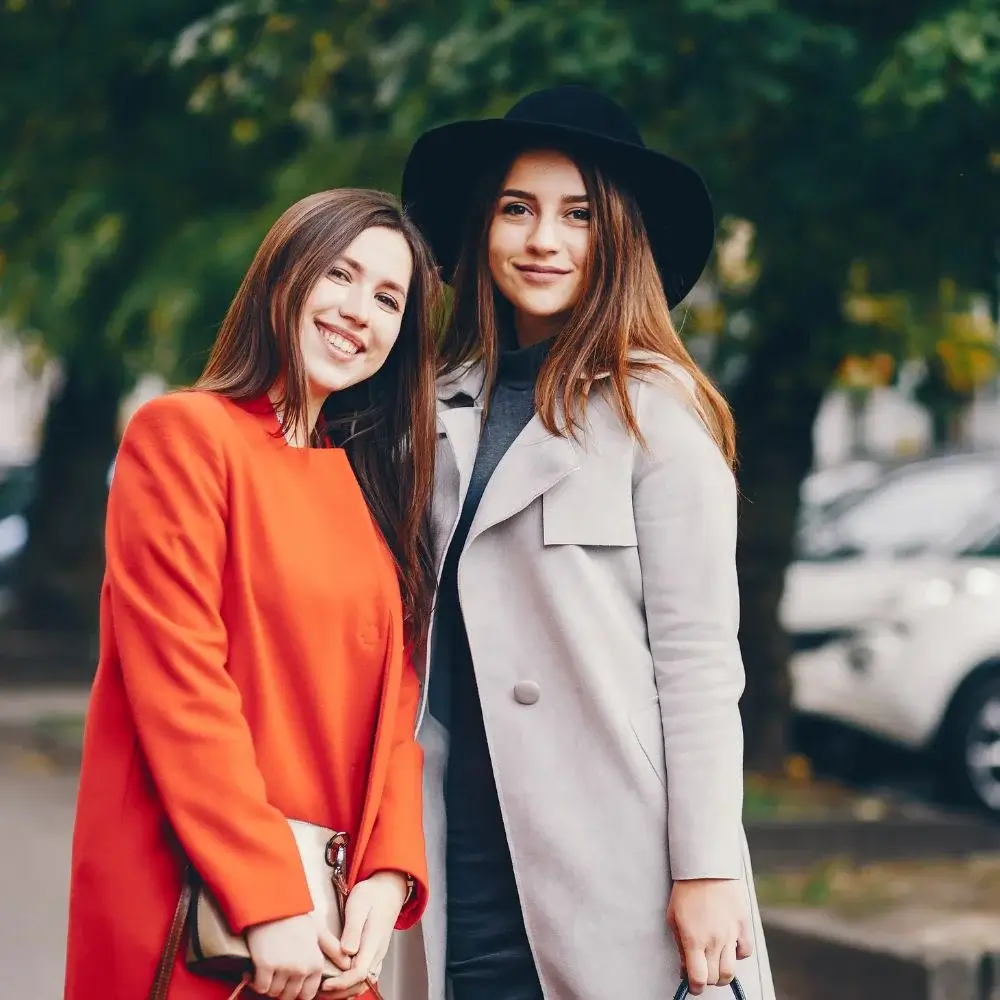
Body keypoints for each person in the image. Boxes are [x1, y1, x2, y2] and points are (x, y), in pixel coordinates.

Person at [382, 86, 778, 1000]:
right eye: (517, 209)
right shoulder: (426, 413)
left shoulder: (661, 421)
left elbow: (699, 666)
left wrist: (708, 870)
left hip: (617, 859)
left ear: (618, 239)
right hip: (452, 845)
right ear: (482, 227)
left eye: (578, 216)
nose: (543, 240)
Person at [65, 189, 442, 1000]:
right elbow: (180, 687)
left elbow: (396, 707)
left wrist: (388, 872)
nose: (357, 311)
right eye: (339, 274)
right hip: (211, 911)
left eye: (388, 299)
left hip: (335, 928)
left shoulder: (375, 488)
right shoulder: (184, 438)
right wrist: (269, 895)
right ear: (283, 277)